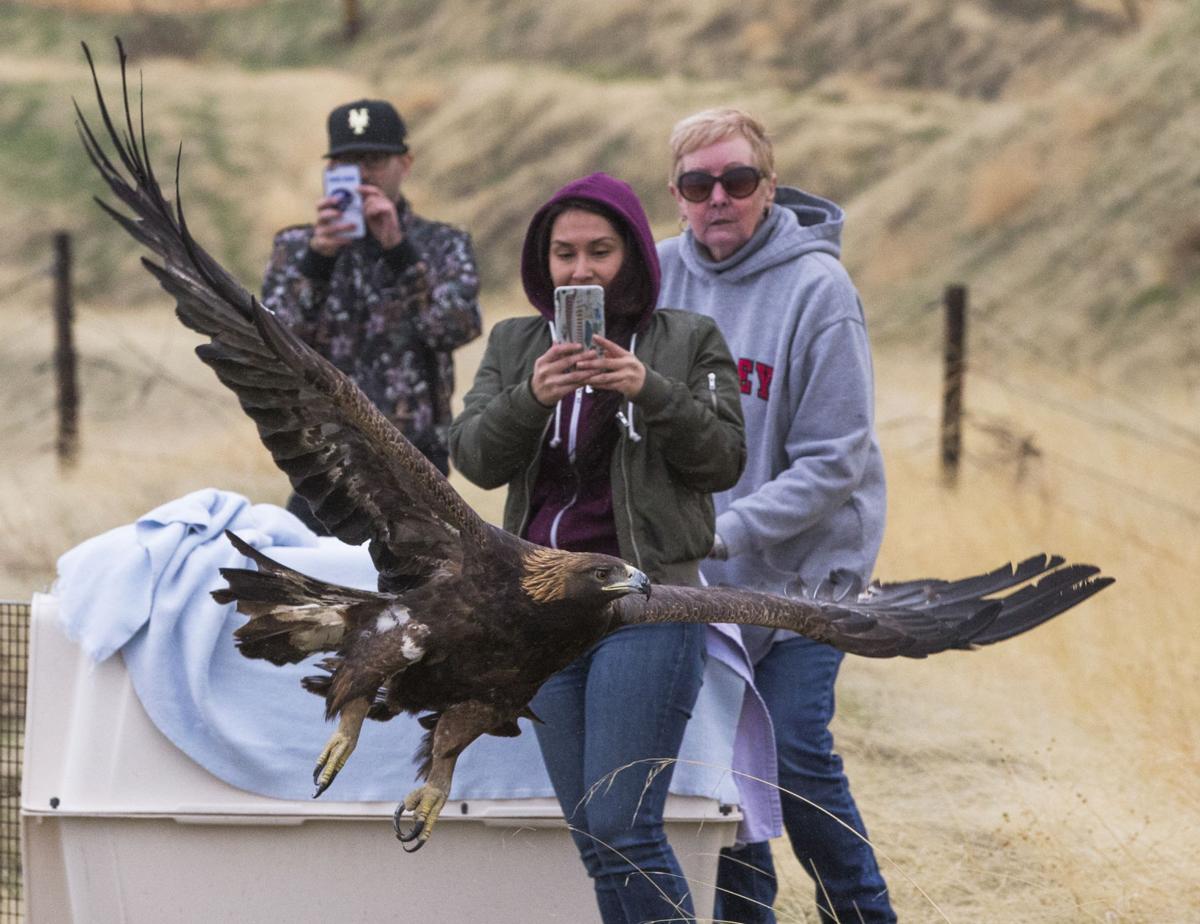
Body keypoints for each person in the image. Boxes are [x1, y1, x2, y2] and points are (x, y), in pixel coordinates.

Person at [449, 172, 746, 924]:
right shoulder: (518, 343)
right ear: (542, 266)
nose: (580, 271)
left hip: (646, 602)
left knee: (623, 824)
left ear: (636, 257)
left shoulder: (687, 339)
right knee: (594, 832)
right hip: (542, 609)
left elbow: (723, 460)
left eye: (600, 251)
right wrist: (532, 398)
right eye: (564, 254)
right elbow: (473, 457)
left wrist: (651, 389)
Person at [657, 109, 895, 924]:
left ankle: (862, 912)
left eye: (738, 180)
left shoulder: (820, 291)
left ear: (767, 183)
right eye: (698, 184)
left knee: (791, 753)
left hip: (806, 576)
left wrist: (725, 531)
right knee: (721, 771)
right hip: (697, 580)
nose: (718, 197)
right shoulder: (652, 281)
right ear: (677, 194)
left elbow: (836, 460)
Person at [262, 98, 481, 531]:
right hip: (324, 456)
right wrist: (318, 259)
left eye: (375, 160)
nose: (363, 175)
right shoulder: (295, 247)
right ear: (330, 172)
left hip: (417, 459)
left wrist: (399, 251)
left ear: (405, 164)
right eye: (347, 162)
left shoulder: (442, 245)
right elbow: (272, 343)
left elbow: (455, 327)